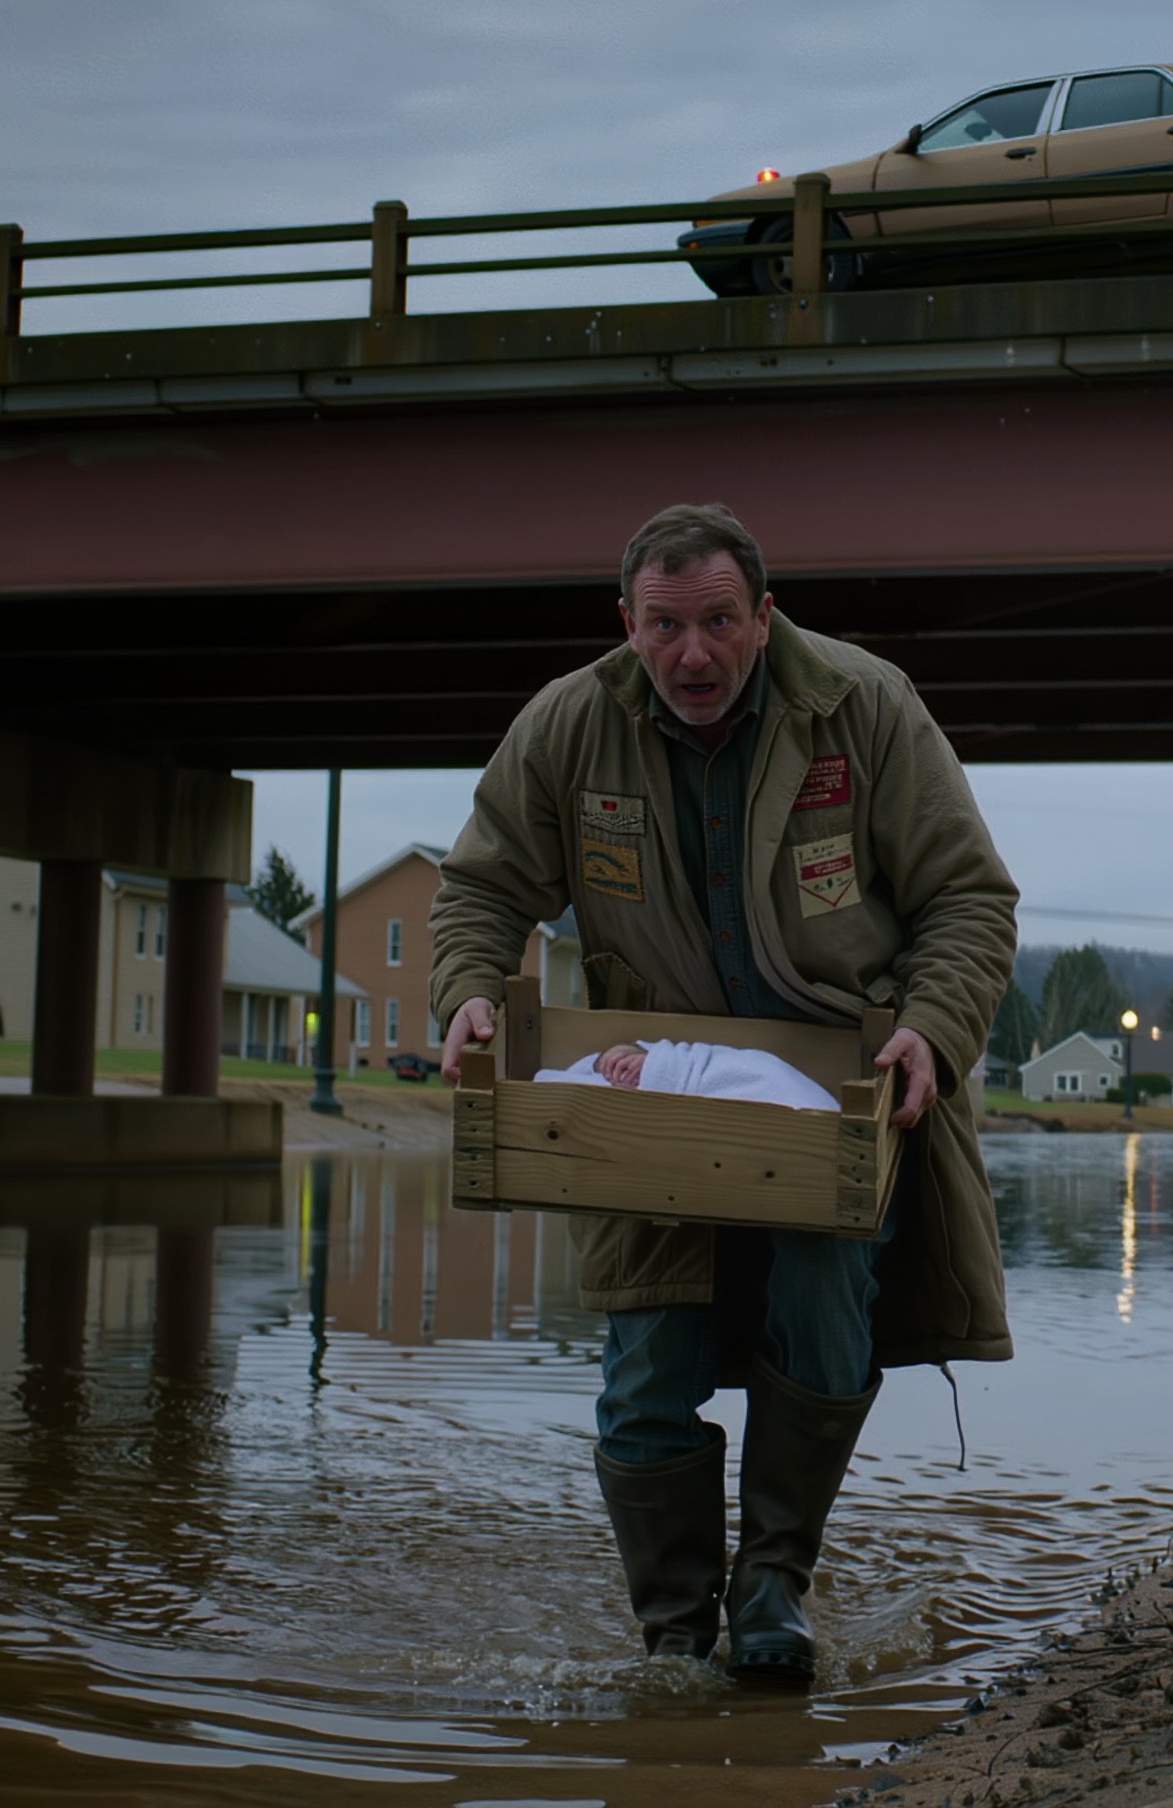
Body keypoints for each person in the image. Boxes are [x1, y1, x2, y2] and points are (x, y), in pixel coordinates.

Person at [429, 501, 1017, 1680]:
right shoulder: (568, 726)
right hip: (643, 1112)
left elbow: (969, 900)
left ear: (762, 615)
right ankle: (671, 1639)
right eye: (662, 626)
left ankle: (771, 1590)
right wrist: (466, 992)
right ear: (626, 624)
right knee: (644, 1374)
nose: (690, 653)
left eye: (714, 622)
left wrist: (930, 1032)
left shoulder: (863, 707)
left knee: (822, 1307)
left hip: (832, 1109)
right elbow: (482, 888)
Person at [537, 1037, 837, 1111]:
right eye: (609, 1072)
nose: (620, 1071)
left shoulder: (680, 1061)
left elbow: (750, 1070)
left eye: (625, 1059)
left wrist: (659, 1064)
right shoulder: (610, 1091)